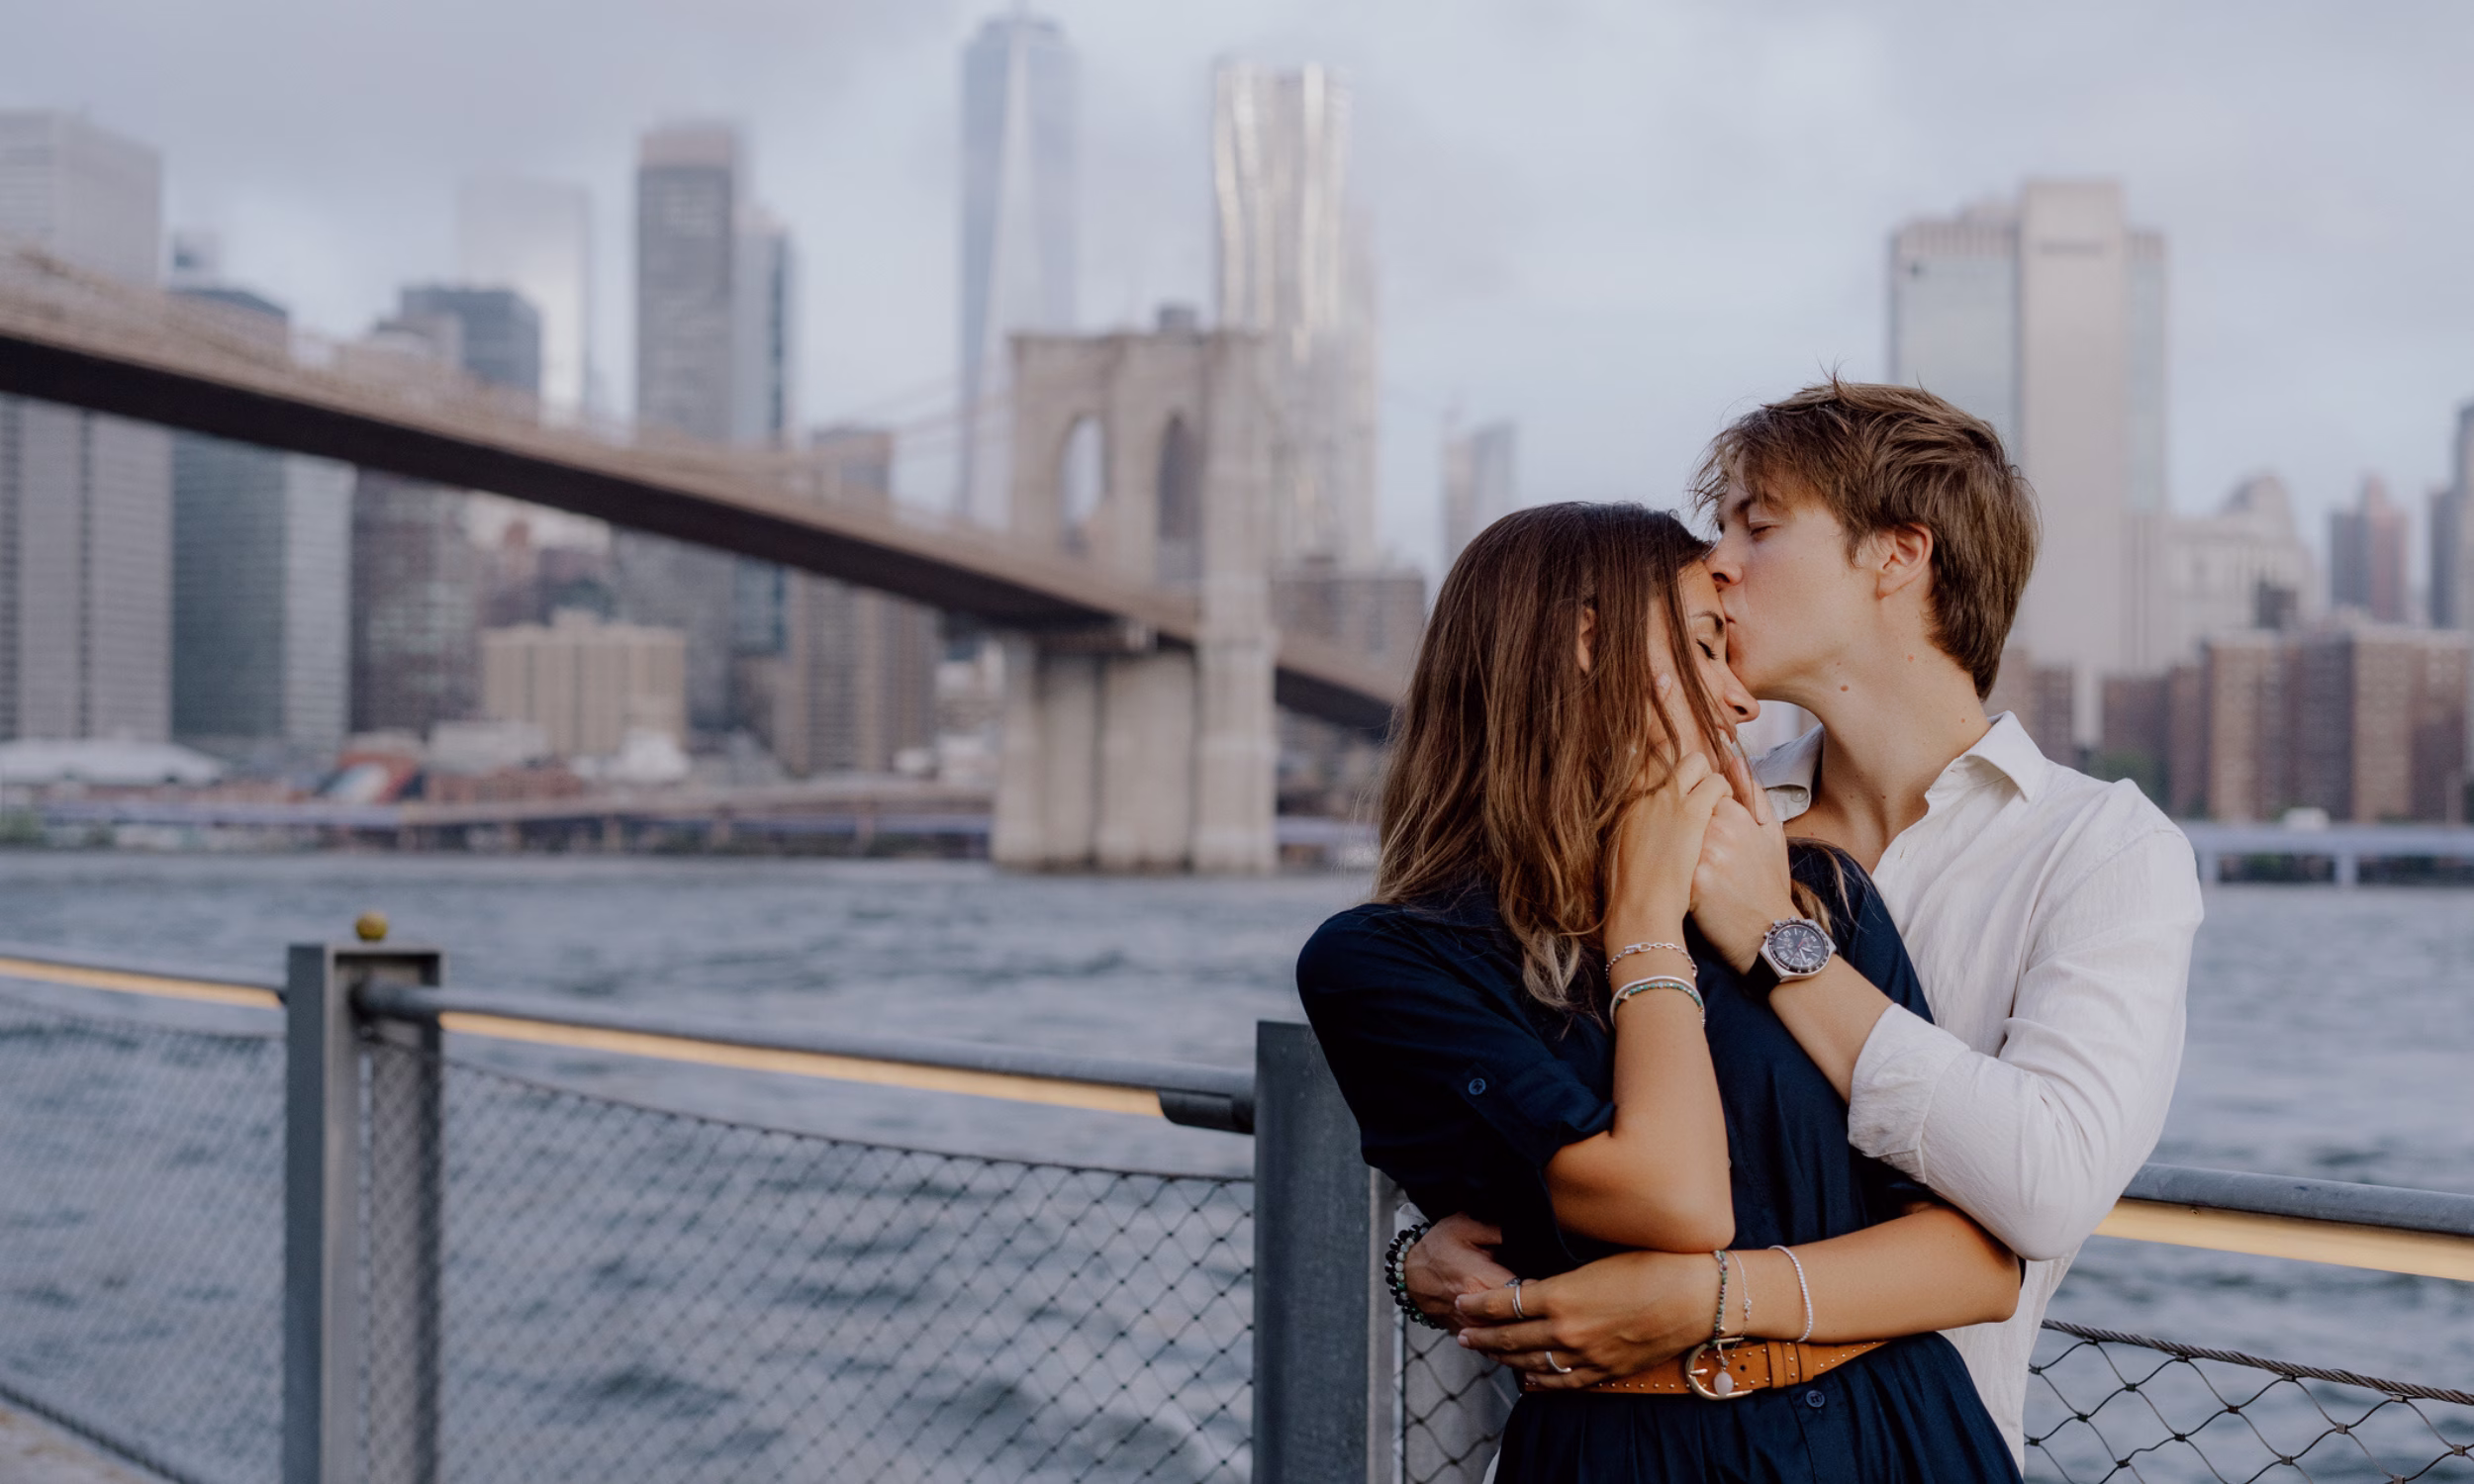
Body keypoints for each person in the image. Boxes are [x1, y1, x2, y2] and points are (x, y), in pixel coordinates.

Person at [1416, 381, 2205, 1469]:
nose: (1717, 559)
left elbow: (2048, 1185)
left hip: (1917, 1444)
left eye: (1759, 523)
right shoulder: (1665, 804)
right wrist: (1430, 1250)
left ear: (1897, 557)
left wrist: (1776, 942)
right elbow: (1529, 1096)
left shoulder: (2099, 847)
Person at [1298, 502, 2024, 1481]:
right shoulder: (1388, 962)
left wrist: (1711, 1302)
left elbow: (1978, 1263)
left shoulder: (1816, 897)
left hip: (1896, 1437)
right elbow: (1679, 1201)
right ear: (1586, 644)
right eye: (1703, 648)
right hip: (1630, 1456)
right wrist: (1641, 925)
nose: (1741, 704)